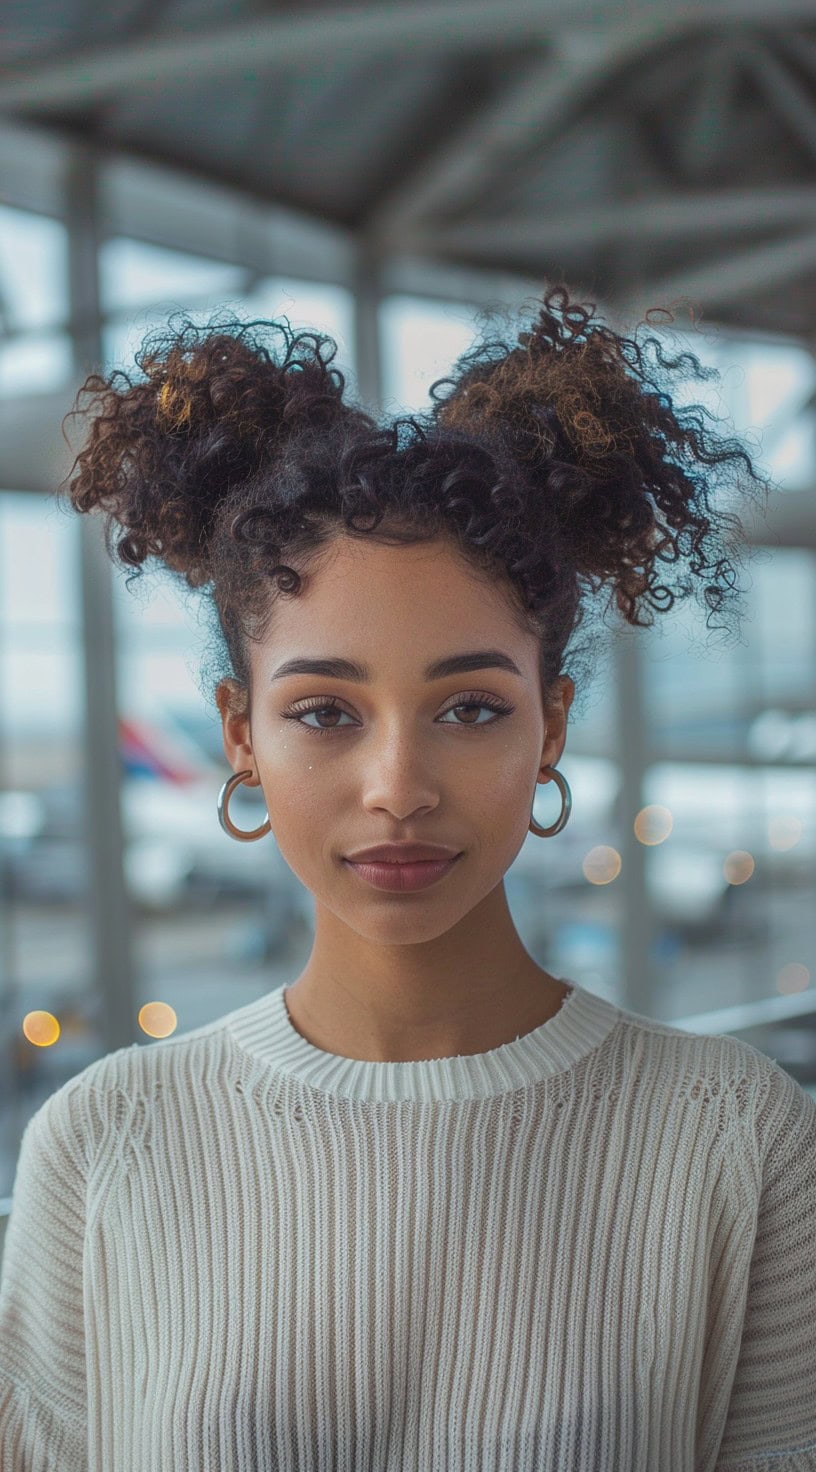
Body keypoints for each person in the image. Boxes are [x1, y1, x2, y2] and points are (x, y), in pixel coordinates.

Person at [0, 287, 813, 1470]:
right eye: (324, 710)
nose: (397, 785)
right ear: (241, 732)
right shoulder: (104, 1142)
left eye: (471, 707)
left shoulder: (739, 1141)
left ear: (551, 724)